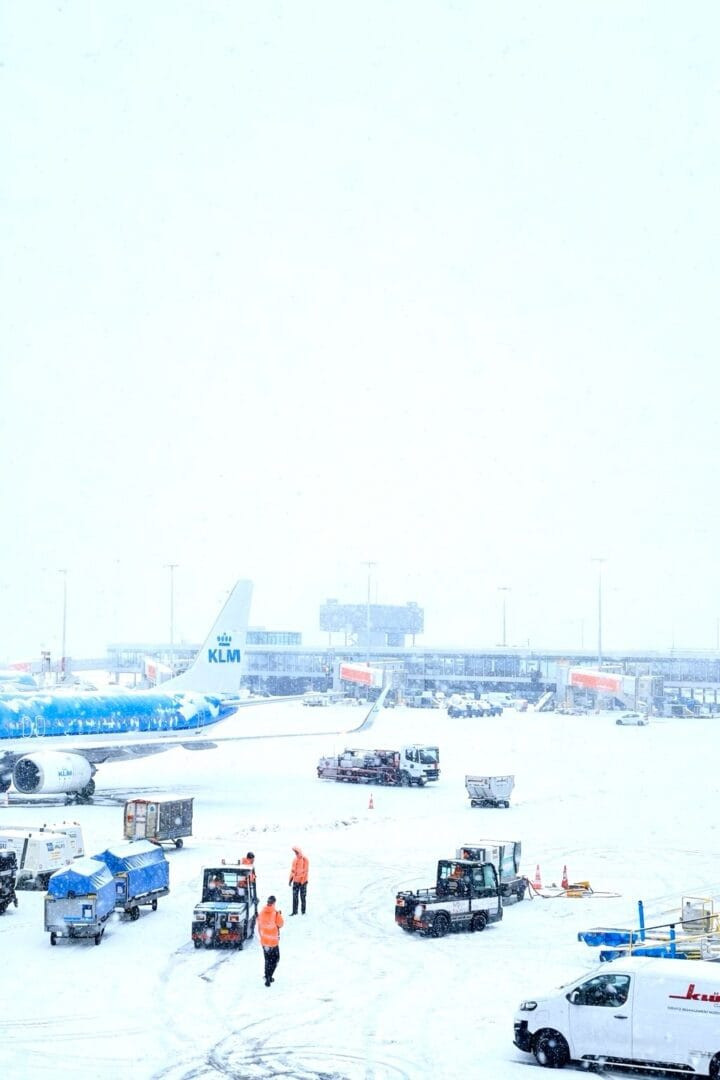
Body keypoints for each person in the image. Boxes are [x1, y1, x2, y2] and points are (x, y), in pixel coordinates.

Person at [257, 894, 284, 987]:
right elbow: (280, 924)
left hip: (264, 941)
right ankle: (269, 976)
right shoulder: (276, 913)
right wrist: (279, 915)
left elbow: (259, 925)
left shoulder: (261, 912)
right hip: (273, 942)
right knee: (276, 959)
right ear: (274, 903)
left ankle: (267, 976)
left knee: (267, 960)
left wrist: (262, 936)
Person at [289, 845, 309, 915]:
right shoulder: (295, 860)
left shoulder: (305, 860)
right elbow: (292, 871)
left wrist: (302, 881)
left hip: (303, 882)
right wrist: (290, 879)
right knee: (294, 897)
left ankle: (303, 912)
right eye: (295, 853)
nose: (296, 854)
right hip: (296, 882)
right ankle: (294, 912)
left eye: (297, 852)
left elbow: (306, 872)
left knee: (302, 897)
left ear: (300, 852)